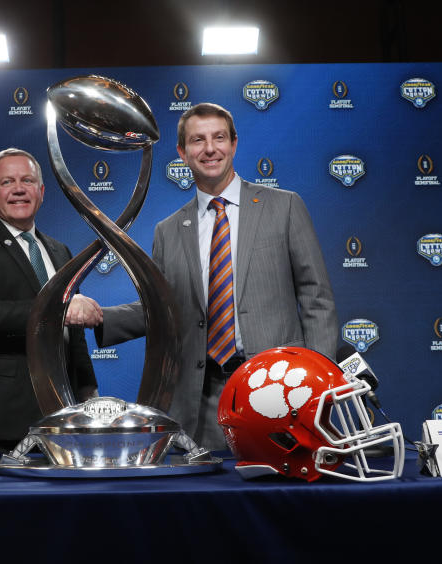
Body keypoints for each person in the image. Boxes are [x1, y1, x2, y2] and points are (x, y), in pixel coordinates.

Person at [80, 103, 338, 450]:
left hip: (280, 386)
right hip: (202, 397)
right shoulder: (168, 231)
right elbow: (163, 310)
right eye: (198, 140)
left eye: (219, 137)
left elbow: (316, 298)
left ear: (234, 143)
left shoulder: (285, 207)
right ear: (182, 153)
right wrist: (100, 317)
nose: (210, 148)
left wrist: (319, 383)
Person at [0, 148, 101, 453]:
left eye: (27, 181)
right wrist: (59, 310)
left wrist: (88, 394)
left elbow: (74, 335)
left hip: (63, 420)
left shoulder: (59, 251)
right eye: (7, 182)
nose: (18, 189)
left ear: (41, 192)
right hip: (0, 423)